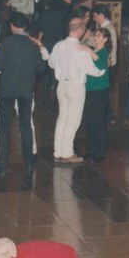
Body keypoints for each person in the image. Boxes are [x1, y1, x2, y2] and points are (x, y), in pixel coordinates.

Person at [0, 12, 48, 176]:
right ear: (25, 26)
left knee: (4, 127)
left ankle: (1, 165)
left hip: (7, 90)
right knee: (25, 125)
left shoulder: (8, 43)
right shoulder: (31, 44)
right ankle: (29, 161)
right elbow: (41, 67)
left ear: (12, 26)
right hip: (26, 90)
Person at [48, 17, 105, 164]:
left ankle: (58, 151)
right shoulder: (81, 49)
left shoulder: (59, 45)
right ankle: (67, 153)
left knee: (62, 118)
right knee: (73, 121)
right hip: (76, 87)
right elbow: (92, 70)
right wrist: (103, 70)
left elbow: (51, 63)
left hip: (62, 85)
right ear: (80, 30)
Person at [82, 27, 112, 162]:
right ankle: (91, 150)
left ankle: (99, 152)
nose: (95, 38)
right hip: (90, 89)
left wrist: (89, 51)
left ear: (105, 39)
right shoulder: (94, 51)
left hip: (100, 91)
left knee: (98, 121)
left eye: (99, 36)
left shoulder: (104, 52)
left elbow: (100, 64)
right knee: (89, 120)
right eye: (95, 36)